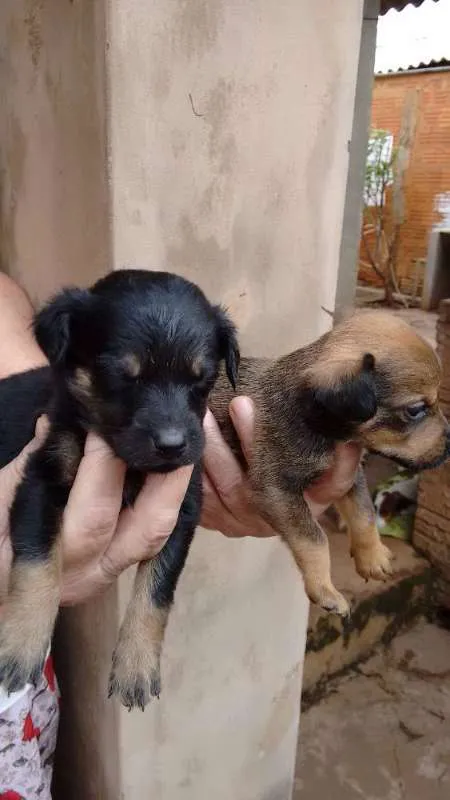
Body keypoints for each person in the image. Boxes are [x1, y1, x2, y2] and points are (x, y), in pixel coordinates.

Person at [0, 272, 361, 796]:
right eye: (125, 379)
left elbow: (177, 522)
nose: (171, 430)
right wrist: (29, 608)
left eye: (196, 383)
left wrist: (275, 484)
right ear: (69, 355)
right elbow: (40, 497)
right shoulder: (64, 422)